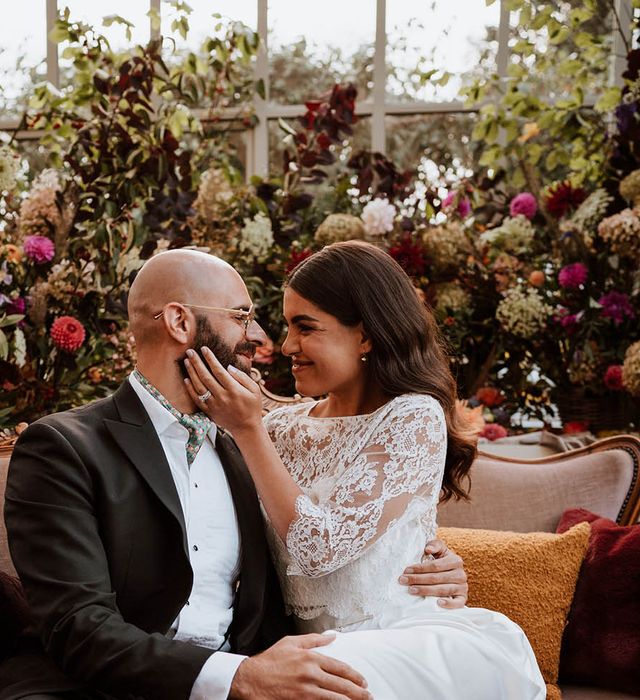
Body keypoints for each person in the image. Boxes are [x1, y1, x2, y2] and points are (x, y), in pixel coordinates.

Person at [0, 248, 470, 700]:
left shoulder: (251, 440)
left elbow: (343, 531)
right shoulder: (64, 448)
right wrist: (237, 677)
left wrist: (427, 561)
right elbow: (80, 627)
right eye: (243, 317)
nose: (265, 341)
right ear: (179, 321)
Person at [182, 241, 547, 699]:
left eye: (306, 327)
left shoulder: (412, 417)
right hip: (310, 645)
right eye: (287, 325)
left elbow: (320, 549)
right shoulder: (277, 427)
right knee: (302, 671)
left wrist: (249, 429)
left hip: (407, 641)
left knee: (317, 675)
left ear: (367, 335)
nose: (287, 344)